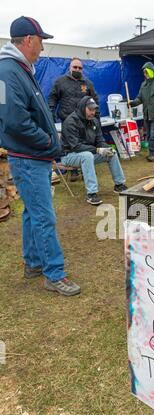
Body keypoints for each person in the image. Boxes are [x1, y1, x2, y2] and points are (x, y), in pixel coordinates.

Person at [0, 16, 80, 296]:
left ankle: (33, 262)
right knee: (44, 216)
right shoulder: (7, 72)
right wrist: (46, 140)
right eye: (41, 42)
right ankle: (54, 274)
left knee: (33, 214)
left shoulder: (19, 69)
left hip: (32, 156)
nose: (43, 48)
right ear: (29, 40)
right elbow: (13, 120)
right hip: (28, 157)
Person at [61, 96, 127, 205]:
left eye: (94, 109)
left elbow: (100, 140)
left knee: (112, 153)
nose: (93, 112)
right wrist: (97, 150)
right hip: (69, 155)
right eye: (90, 109)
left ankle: (119, 185)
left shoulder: (94, 121)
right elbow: (76, 146)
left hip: (88, 153)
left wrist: (106, 148)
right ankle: (91, 194)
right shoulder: (70, 122)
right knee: (87, 156)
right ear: (83, 108)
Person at [129, 62, 154, 162]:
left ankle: (152, 154)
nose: (145, 74)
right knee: (149, 135)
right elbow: (139, 98)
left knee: (153, 135)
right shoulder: (143, 85)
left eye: (146, 72)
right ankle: (152, 153)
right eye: (144, 73)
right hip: (146, 114)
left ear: (151, 71)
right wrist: (132, 103)